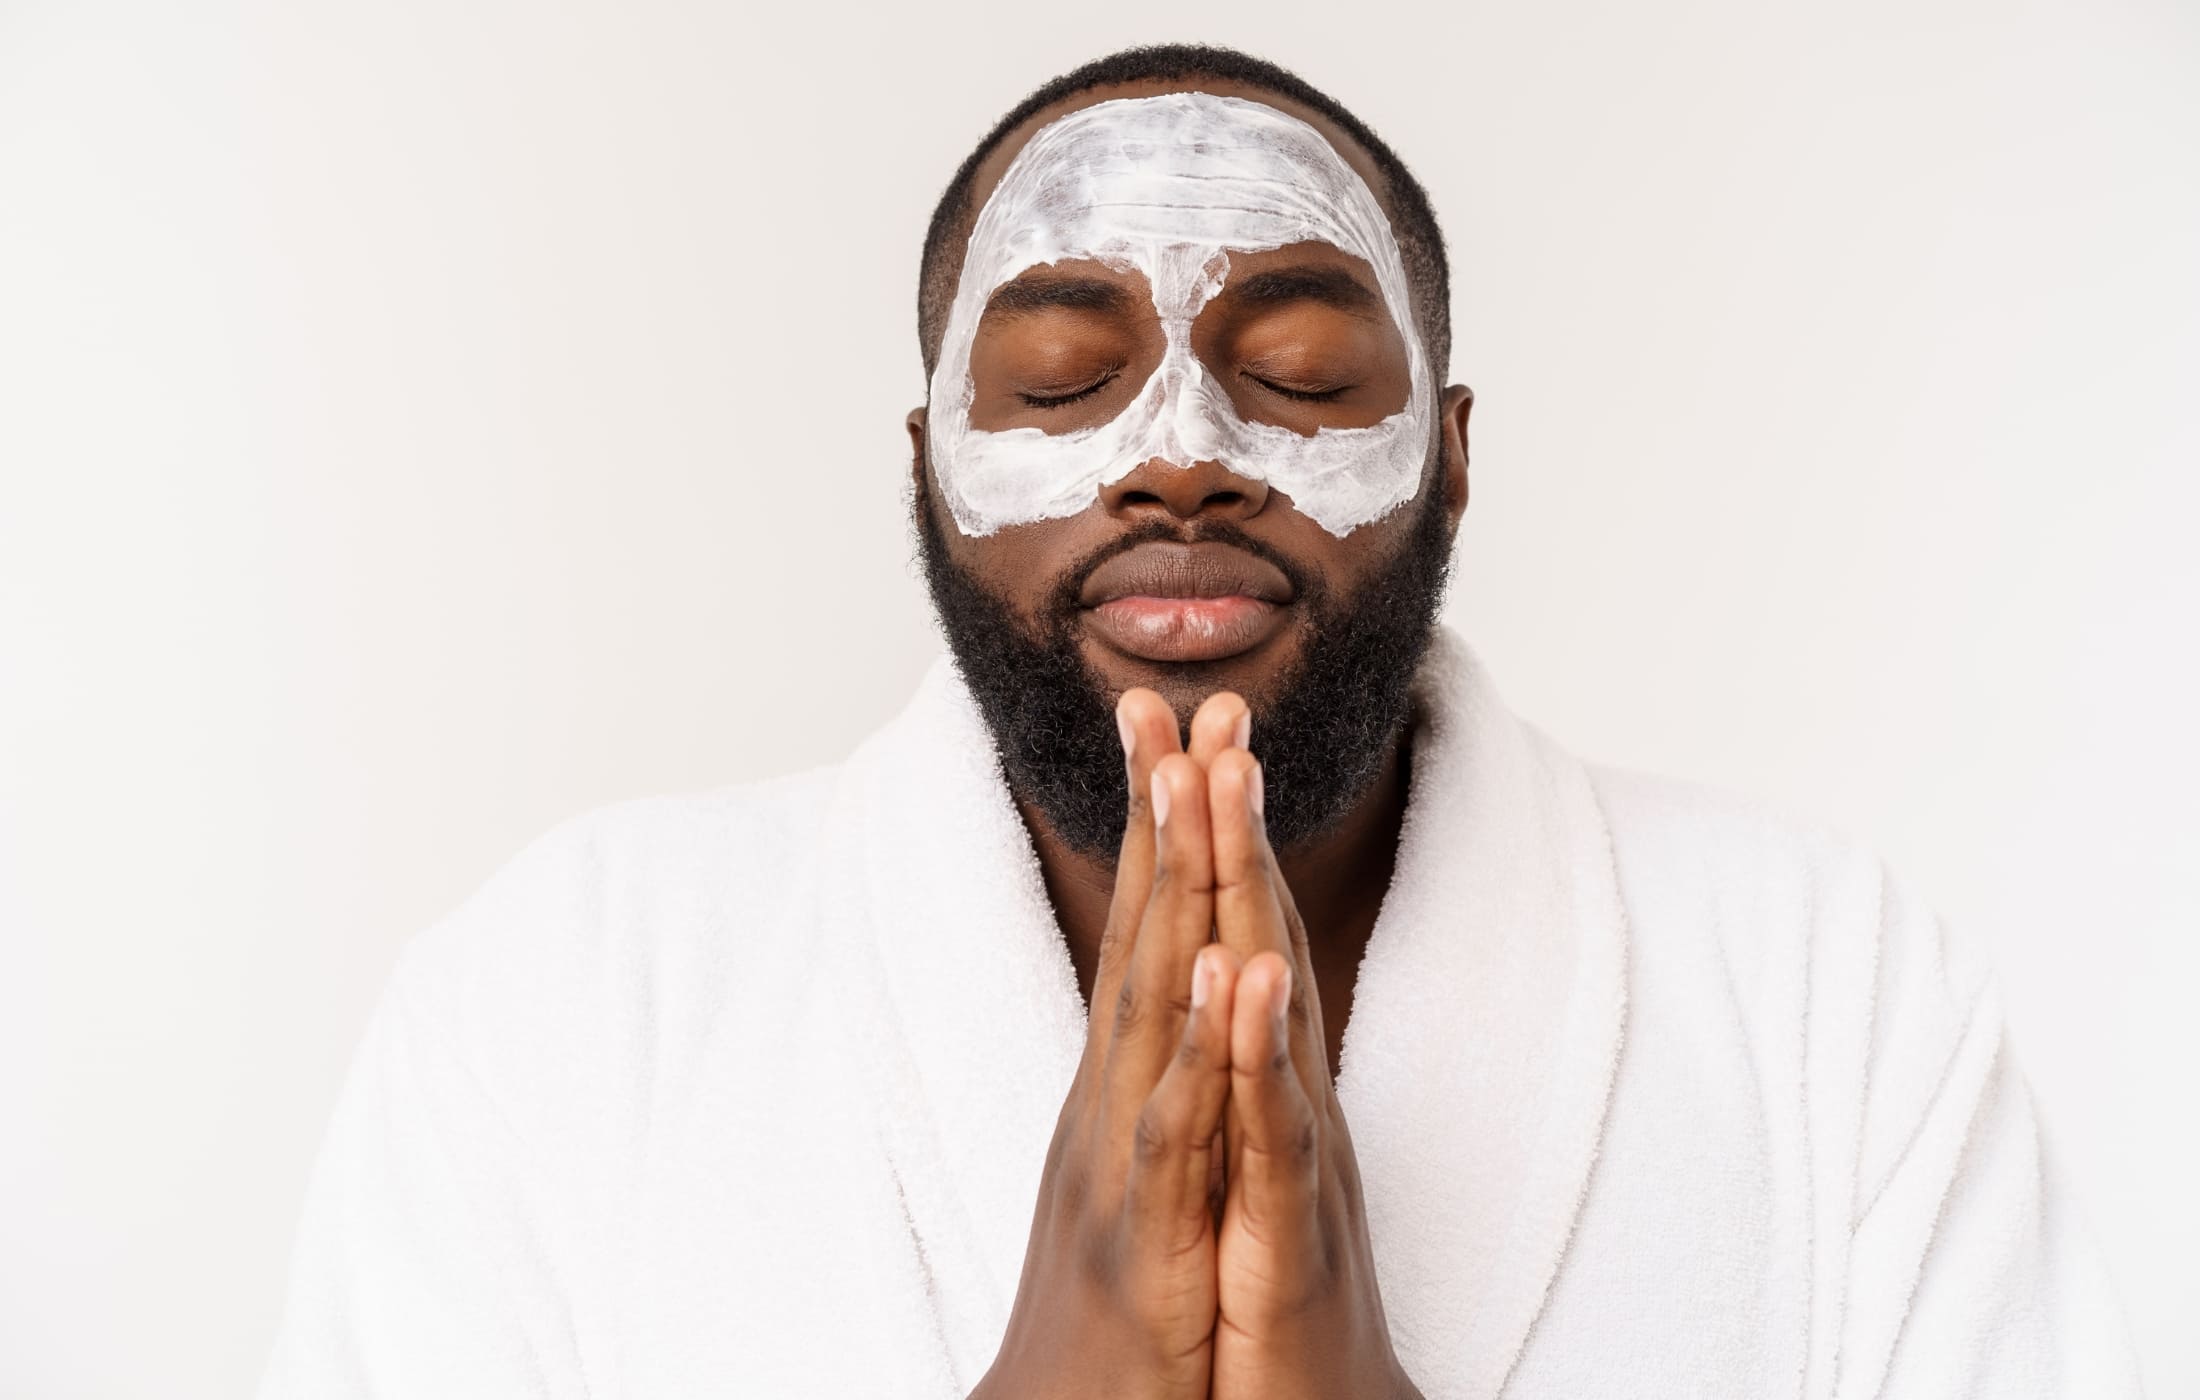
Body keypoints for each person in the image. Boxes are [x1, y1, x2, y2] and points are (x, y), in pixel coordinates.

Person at [256, 43, 2141, 1400]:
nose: (1178, 456)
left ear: (1455, 462)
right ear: (925, 470)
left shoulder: (1831, 997)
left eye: (1303, 374)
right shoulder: (558, 1007)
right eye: (1065, 378)